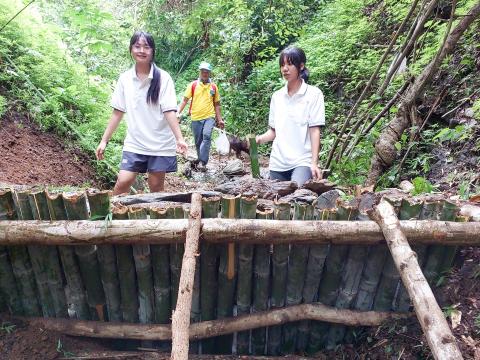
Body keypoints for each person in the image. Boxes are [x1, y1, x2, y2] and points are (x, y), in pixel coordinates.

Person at [96, 31, 188, 195]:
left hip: (160, 144)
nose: (141, 51)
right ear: (131, 49)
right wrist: (104, 141)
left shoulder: (163, 78)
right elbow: (118, 112)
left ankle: (155, 220)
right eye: (137, 46)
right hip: (135, 142)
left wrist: (179, 138)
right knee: (122, 182)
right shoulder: (125, 79)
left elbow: (169, 111)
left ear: (152, 51)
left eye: (146, 47)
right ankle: (114, 218)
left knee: (156, 188)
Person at [255, 46, 325, 186]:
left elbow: (314, 130)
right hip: (277, 163)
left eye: (289, 64)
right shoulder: (277, 96)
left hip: (302, 161)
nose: (285, 69)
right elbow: (273, 131)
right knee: (276, 201)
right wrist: (258, 139)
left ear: (301, 66)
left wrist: (314, 163)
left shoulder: (314, 94)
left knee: (297, 195)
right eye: (282, 65)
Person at [177, 62, 225, 171]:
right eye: (203, 71)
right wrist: (178, 112)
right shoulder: (193, 85)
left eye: (207, 71)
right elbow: (185, 100)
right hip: (196, 117)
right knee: (198, 141)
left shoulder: (213, 87)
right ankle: (200, 160)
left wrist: (220, 119)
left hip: (209, 116)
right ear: (200, 72)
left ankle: (203, 162)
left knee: (207, 136)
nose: (204, 73)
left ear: (209, 73)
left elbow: (217, 104)